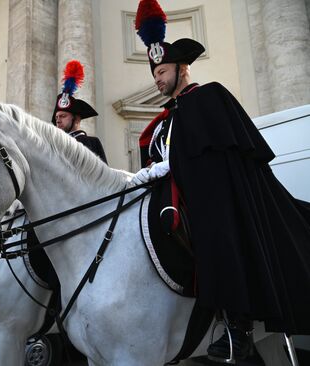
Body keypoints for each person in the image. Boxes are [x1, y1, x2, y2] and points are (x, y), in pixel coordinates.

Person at [132, 0, 310, 363]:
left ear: (181, 69)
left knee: (218, 235)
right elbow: (166, 161)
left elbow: (226, 160)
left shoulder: (208, 97)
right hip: (184, 196)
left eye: (162, 71)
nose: (157, 80)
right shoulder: (167, 120)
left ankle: (237, 328)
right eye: (154, 75)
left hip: (219, 199)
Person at [52, 60, 108, 163]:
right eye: (57, 117)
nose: (58, 120)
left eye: (63, 116)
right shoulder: (55, 146)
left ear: (76, 119)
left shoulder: (91, 143)